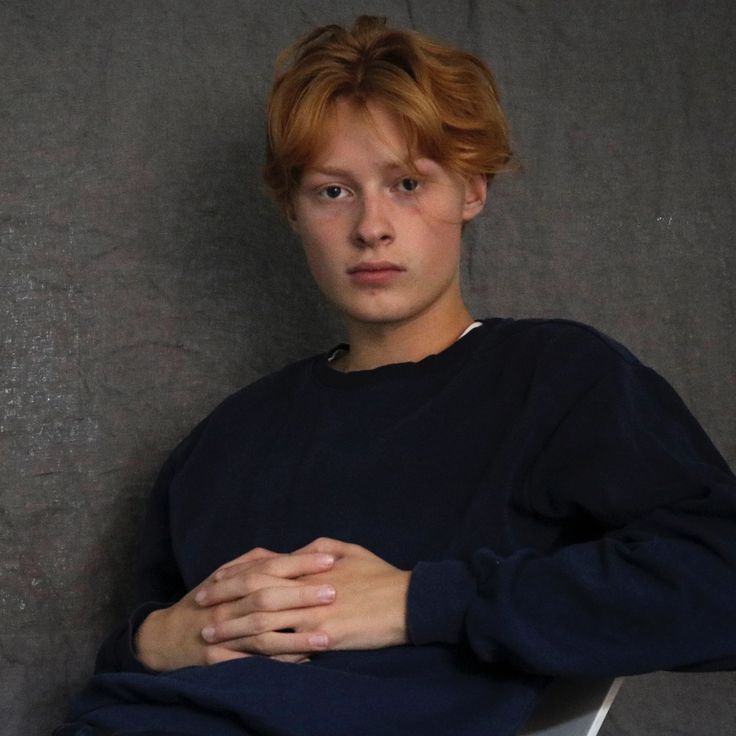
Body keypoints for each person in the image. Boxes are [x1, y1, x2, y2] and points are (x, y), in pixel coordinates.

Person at [56, 15, 736, 736]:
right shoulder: (223, 439)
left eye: (407, 182)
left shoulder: (557, 380)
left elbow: (720, 583)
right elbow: (140, 660)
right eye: (332, 191)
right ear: (292, 209)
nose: (371, 226)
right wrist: (147, 641)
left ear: (470, 190)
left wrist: (419, 602)